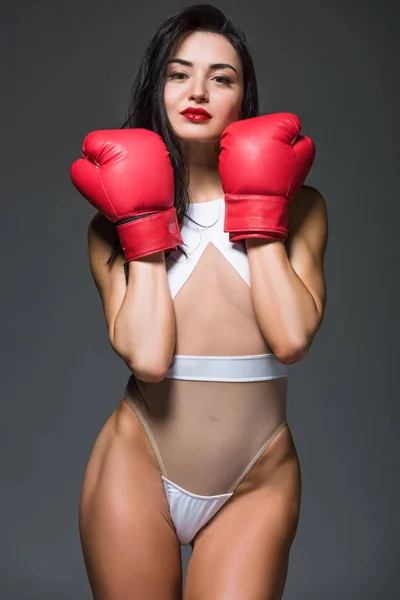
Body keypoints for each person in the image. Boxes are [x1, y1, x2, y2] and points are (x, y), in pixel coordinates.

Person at [70, 4, 328, 599]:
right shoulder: (108, 223)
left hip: (256, 479)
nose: (199, 91)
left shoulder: (304, 207)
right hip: (139, 464)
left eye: (222, 77)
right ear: (156, 86)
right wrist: (141, 222)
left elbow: (291, 339)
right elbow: (149, 358)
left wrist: (260, 210)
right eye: (179, 73)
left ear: (244, 95)